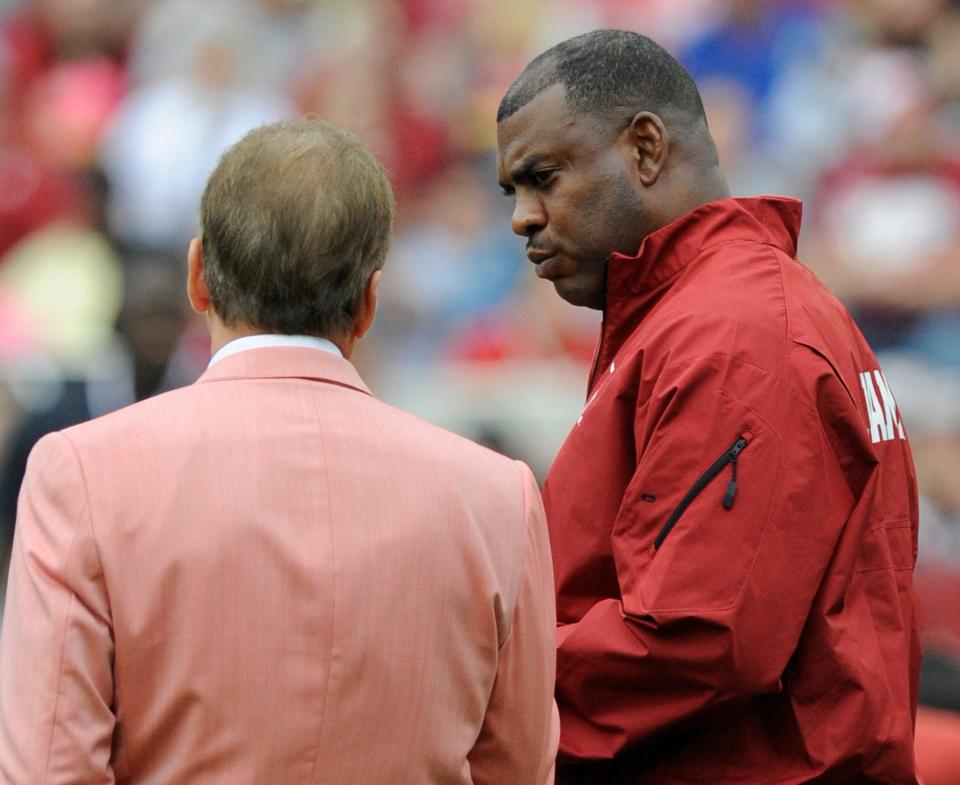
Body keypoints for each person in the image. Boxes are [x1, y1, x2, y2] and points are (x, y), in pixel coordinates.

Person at [0, 118, 559, 785]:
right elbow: (520, 768)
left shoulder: (82, 472)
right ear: (369, 304)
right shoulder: (498, 494)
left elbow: (48, 766)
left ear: (197, 276)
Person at [496, 29, 920, 784]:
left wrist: (486, 682)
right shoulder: (708, 311)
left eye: (544, 177)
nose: (523, 217)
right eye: (514, 191)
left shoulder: (733, 329)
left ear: (646, 149)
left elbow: (703, 635)